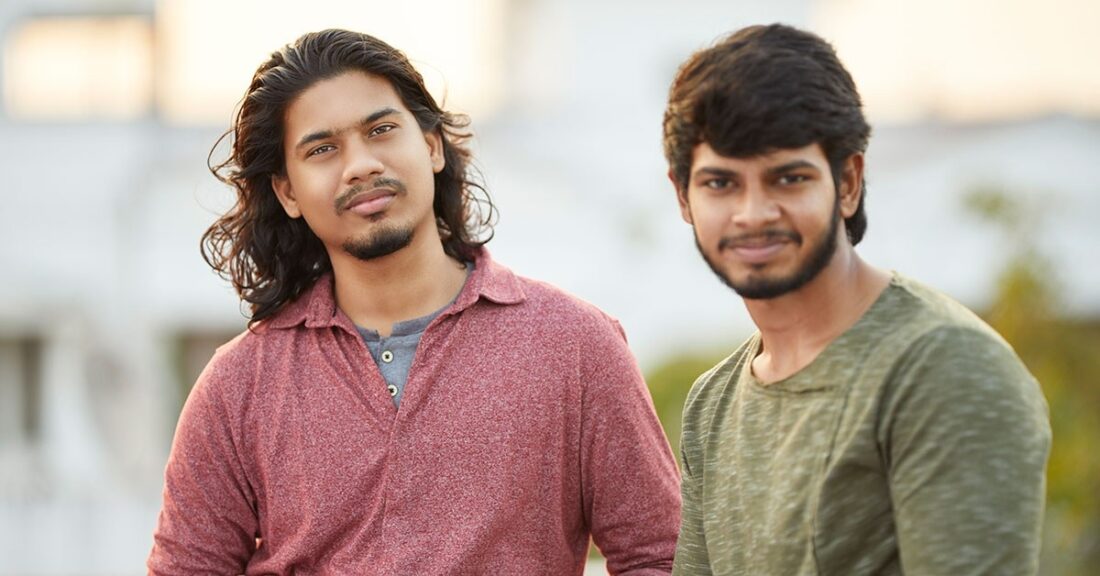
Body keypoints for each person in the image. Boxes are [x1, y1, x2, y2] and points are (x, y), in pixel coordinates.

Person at [147, 29, 680, 575]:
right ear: (287, 192)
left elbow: (658, 556)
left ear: (431, 146)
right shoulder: (239, 383)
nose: (359, 165)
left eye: (381, 130)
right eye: (322, 149)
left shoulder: (573, 343)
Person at [662, 24, 1050, 575]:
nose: (752, 214)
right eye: (721, 183)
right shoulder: (713, 400)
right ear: (683, 195)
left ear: (847, 182)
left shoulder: (942, 367)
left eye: (787, 179)